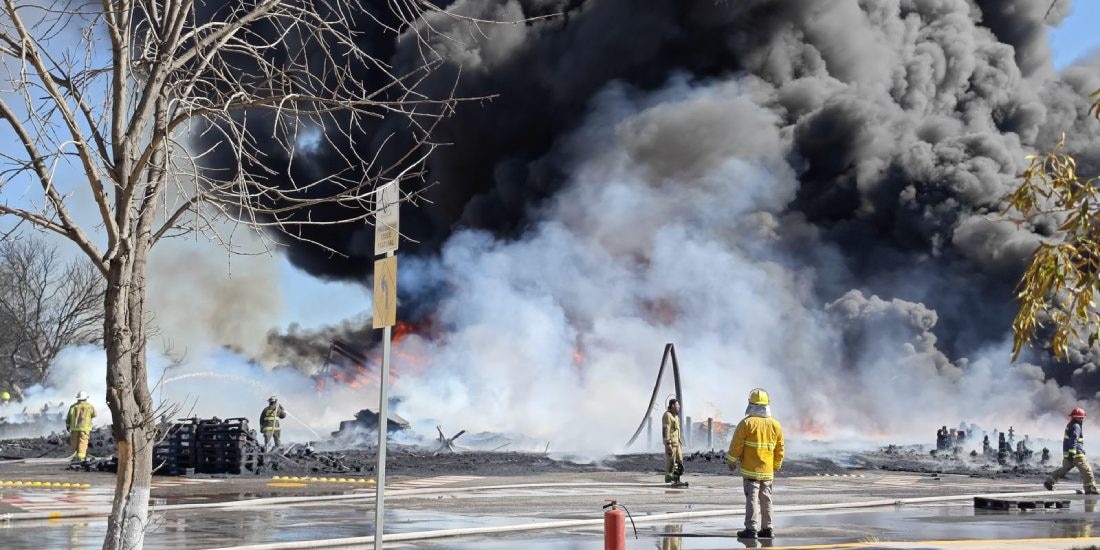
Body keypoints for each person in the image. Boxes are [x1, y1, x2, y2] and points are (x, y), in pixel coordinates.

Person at [728, 388, 784, 540]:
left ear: (750, 404)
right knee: (766, 499)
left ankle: (751, 529)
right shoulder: (775, 425)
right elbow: (780, 448)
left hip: (751, 470)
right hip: (767, 471)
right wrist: (777, 464)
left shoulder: (746, 424)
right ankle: (768, 529)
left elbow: (736, 446)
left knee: (752, 499)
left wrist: (731, 460)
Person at [1045, 407, 1099, 494]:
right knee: (1087, 470)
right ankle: (1090, 488)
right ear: (1075, 417)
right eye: (1080, 417)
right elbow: (1073, 440)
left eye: (1082, 417)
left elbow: (1071, 440)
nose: (1082, 419)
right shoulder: (1076, 426)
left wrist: (1074, 452)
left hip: (1068, 454)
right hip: (1076, 456)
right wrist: (1073, 453)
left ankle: (1049, 481)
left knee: (1064, 469)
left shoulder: (1070, 425)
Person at [66, 391, 95, 462]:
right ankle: (81, 457)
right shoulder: (89, 406)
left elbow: (68, 417)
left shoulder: (73, 407)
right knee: (83, 442)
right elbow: (94, 414)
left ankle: (74, 457)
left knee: (74, 442)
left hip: (74, 428)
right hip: (85, 428)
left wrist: (68, 425)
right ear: (85, 398)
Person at [662, 398, 683, 485]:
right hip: (671, 444)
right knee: (670, 462)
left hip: (677, 444)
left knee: (679, 461)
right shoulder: (667, 415)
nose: (679, 407)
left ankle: (676, 478)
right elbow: (665, 430)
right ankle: (668, 479)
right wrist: (668, 443)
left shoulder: (676, 417)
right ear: (673, 405)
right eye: (678, 405)